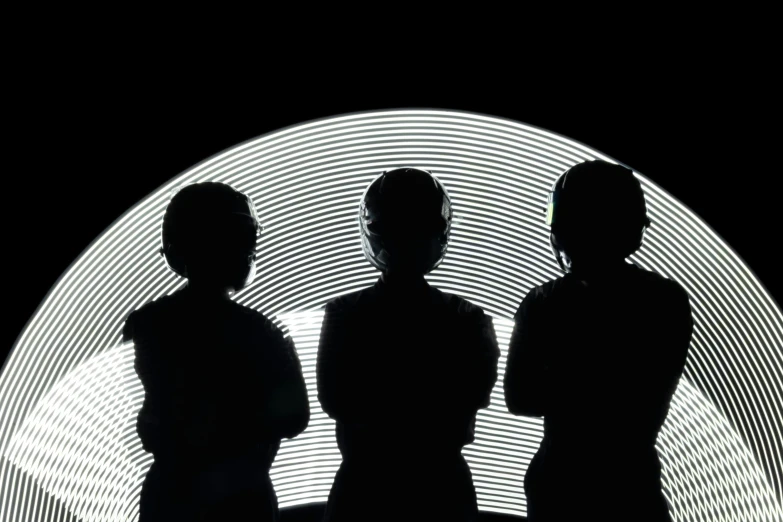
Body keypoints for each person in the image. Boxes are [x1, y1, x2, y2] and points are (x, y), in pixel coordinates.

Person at [504, 160, 694, 521]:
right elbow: (644, 400)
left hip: (559, 484)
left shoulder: (542, 302)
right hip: (629, 485)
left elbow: (521, 396)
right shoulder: (665, 301)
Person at [316, 168, 500, 522]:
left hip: (364, 487)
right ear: (439, 233)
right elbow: (473, 394)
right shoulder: (467, 318)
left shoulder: (344, 313)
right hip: (441, 488)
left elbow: (335, 399)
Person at [122, 182, 310, 521]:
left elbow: (149, 414)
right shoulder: (262, 331)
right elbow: (296, 417)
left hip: (171, 493)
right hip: (242, 496)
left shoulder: (145, 324)